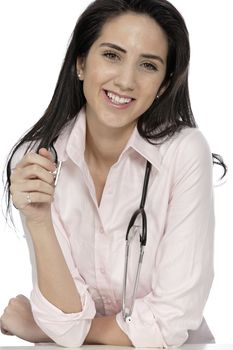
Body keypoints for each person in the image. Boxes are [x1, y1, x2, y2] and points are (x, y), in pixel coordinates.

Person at [0, 0, 227, 348]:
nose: (125, 80)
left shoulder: (184, 152)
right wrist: (39, 220)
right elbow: (65, 318)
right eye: (111, 55)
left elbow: (170, 321)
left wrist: (42, 327)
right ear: (80, 63)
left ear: (164, 85)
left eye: (148, 65)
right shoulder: (37, 159)